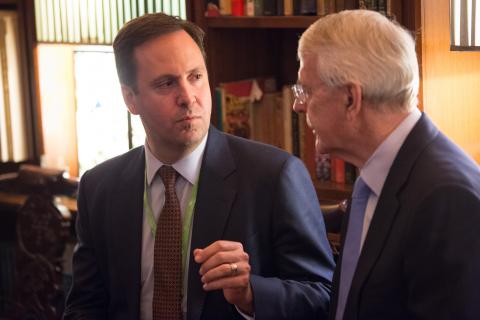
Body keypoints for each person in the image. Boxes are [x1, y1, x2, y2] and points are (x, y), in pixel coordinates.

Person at [64, 12, 335, 320]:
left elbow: (324, 297)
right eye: (166, 83)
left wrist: (250, 294)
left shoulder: (275, 175)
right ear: (130, 99)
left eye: (195, 76)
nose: (188, 97)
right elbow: (84, 307)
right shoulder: (100, 186)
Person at [293, 9, 480, 320]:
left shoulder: (447, 199)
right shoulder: (375, 176)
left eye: (306, 91)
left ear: (351, 99)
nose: (298, 105)